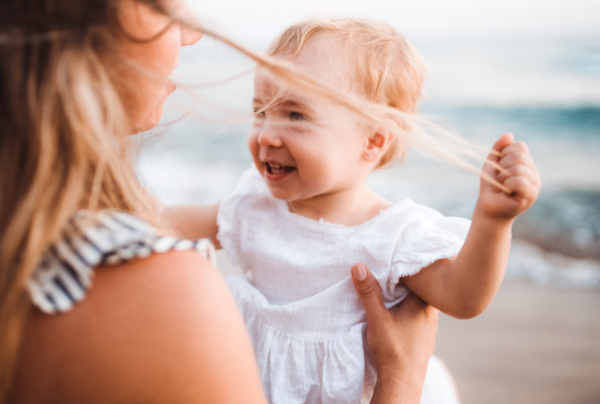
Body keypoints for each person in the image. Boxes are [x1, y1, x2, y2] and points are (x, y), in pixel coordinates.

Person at [0, 1, 441, 403]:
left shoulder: (27, 226)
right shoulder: (160, 287)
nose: (191, 34)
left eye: (296, 115)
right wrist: (402, 380)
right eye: (163, 7)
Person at [166, 19, 542, 404]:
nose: (266, 134)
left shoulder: (393, 236)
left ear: (373, 140)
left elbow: (463, 298)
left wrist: (494, 221)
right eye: (260, 111)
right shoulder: (252, 207)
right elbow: (163, 223)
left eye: (295, 115)